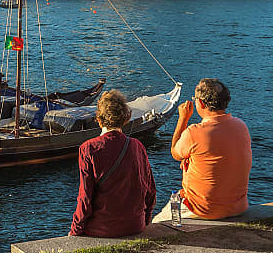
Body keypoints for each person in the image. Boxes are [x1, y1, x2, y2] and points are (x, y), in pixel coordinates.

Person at [158, 78, 252, 220]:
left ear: (201, 103)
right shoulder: (241, 126)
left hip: (202, 209)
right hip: (238, 207)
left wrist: (183, 119)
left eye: (195, 99)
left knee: (157, 222)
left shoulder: (194, 132)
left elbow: (175, 152)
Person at [70, 90, 156, 237]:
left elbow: (85, 197)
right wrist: (145, 219)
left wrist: (75, 231)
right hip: (135, 225)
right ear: (125, 118)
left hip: (102, 228)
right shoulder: (137, 146)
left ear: (99, 119)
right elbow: (150, 191)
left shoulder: (89, 148)